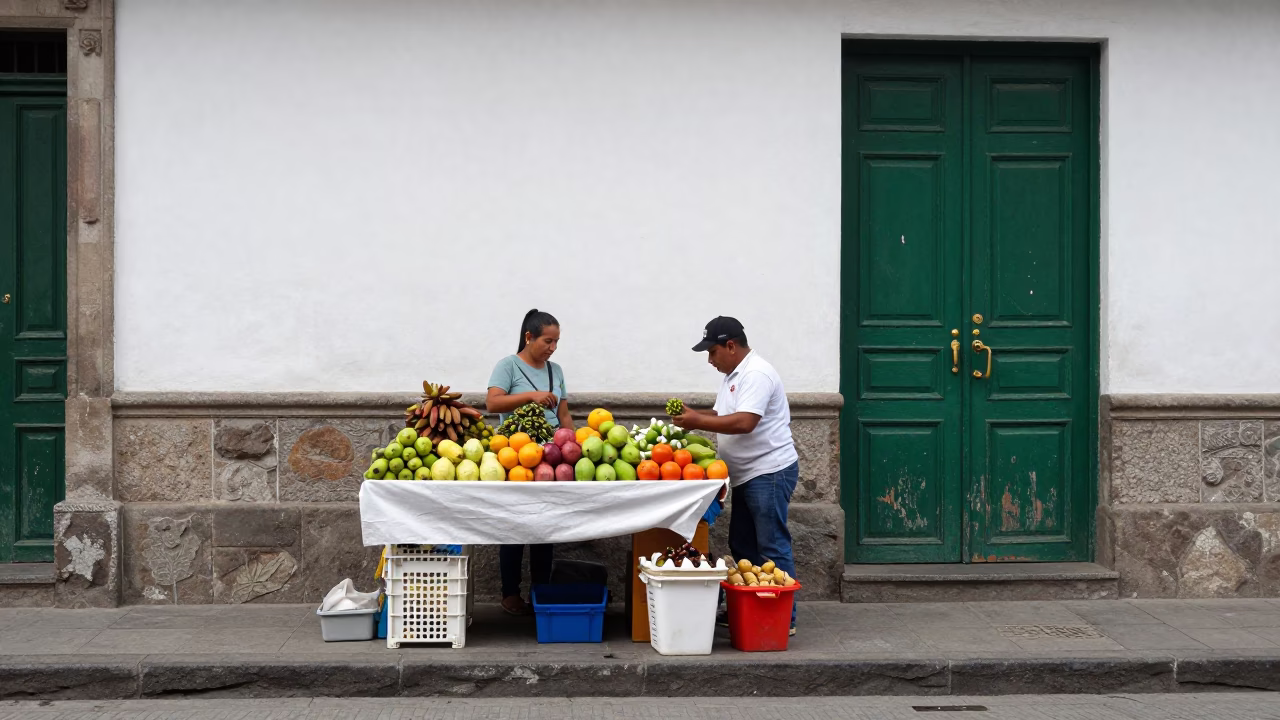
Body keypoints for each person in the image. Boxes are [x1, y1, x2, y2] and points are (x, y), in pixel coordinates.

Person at [672, 316, 800, 634]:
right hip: (746, 475)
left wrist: (696, 422)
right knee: (742, 544)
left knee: (771, 545)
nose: (710, 360)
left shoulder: (756, 373)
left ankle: (784, 618)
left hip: (768, 471)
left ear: (730, 346)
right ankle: (750, 606)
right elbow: (722, 413)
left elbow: (744, 422)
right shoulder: (733, 374)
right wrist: (693, 416)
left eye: (712, 352)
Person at [486, 309, 573, 615]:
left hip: (550, 456)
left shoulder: (556, 370)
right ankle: (510, 593)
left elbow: (563, 415)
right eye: (548, 340)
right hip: (516, 457)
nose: (553, 347)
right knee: (514, 525)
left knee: (544, 526)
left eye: (556, 342)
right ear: (529, 337)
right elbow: (493, 402)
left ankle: (540, 591)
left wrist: (572, 443)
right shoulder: (507, 366)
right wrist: (530, 397)